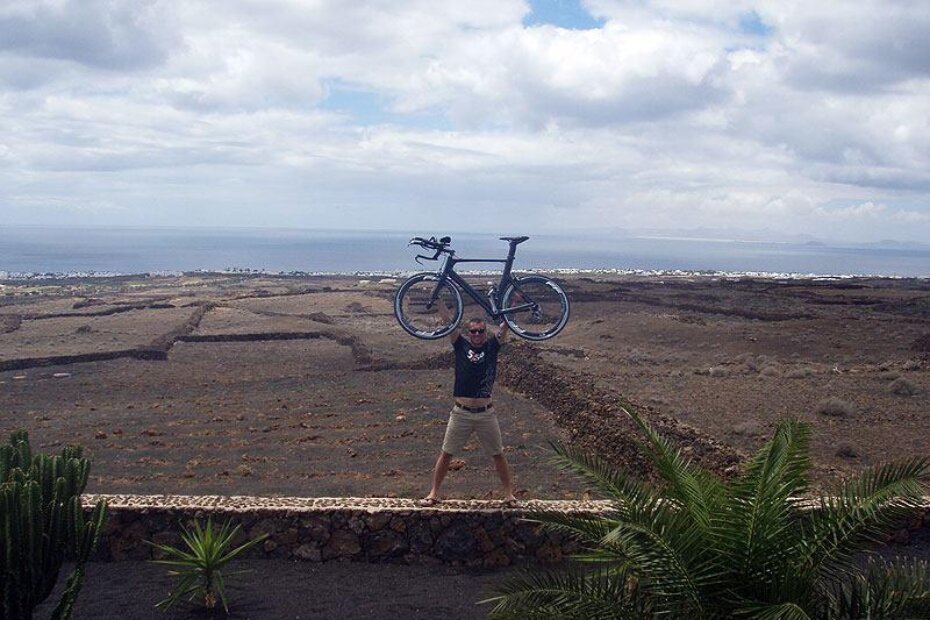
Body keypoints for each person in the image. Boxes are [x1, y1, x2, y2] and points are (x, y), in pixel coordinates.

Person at [419, 308, 517, 507]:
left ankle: (509, 495)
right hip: (461, 413)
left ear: (485, 332)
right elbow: (448, 321)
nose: (477, 335)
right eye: (473, 331)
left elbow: (505, 326)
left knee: (498, 454)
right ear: (468, 332)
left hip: (486, 414)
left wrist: (511, 303)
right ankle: (433, 493)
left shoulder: (492, 347)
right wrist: (438, 297)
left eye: (481, 331)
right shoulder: (460, 345)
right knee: (446, 453)